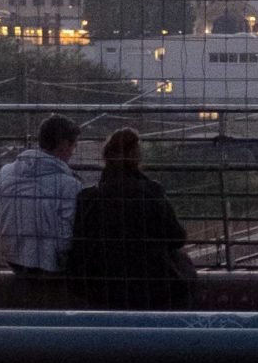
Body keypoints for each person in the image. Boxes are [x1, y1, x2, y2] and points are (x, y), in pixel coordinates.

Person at [67, 127, 196, 309]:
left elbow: (80, 242)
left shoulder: (88, 198)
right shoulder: (150, 192)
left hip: (101, 286)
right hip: (150, 283)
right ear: (134, 156)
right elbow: (177, 237)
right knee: (181, 262)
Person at [0, 114, 85, 307]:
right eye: (73, 146)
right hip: (46, 263)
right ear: (63, 145)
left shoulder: (6, 173)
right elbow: (65, 238)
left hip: (12, 257)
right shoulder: (69, 185)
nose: (72, 152)